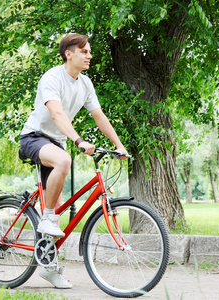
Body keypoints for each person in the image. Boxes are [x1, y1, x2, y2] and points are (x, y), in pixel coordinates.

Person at [19, 33, 128, 289]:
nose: (90, 55)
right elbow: (56, 114)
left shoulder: (85, 84)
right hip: (34, 137)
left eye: (89, 51)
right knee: (64, 161)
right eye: (85, 51)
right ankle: (45, 217)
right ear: (69, 53)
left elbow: (99, 116)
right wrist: (79, 141)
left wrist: (119, 145)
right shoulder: (52, 78)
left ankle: (48, 265)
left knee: (60, 205)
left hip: (56, 142)